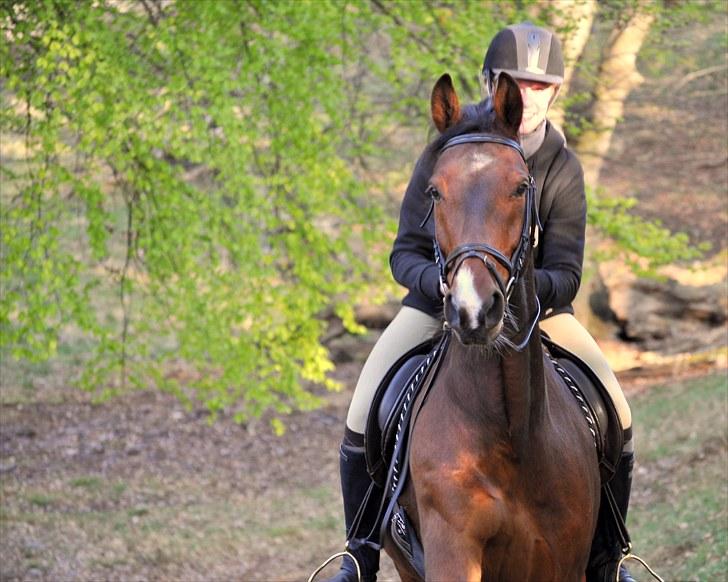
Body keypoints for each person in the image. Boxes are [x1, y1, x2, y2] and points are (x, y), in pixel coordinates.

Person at [327, 23, 636, 582]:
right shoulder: (444, 153)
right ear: (494, 86)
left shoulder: (561, 165)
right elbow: (404, 254)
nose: (531, 96)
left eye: (543, 87)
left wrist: (519, 293)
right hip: (439, 303)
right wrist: (440, 286)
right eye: (518, 83)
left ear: (554, 93)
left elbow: (565, 271)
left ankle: (611, 558)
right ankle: (359, 554)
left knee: (617, 407)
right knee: (363, 404)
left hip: (537, 312)